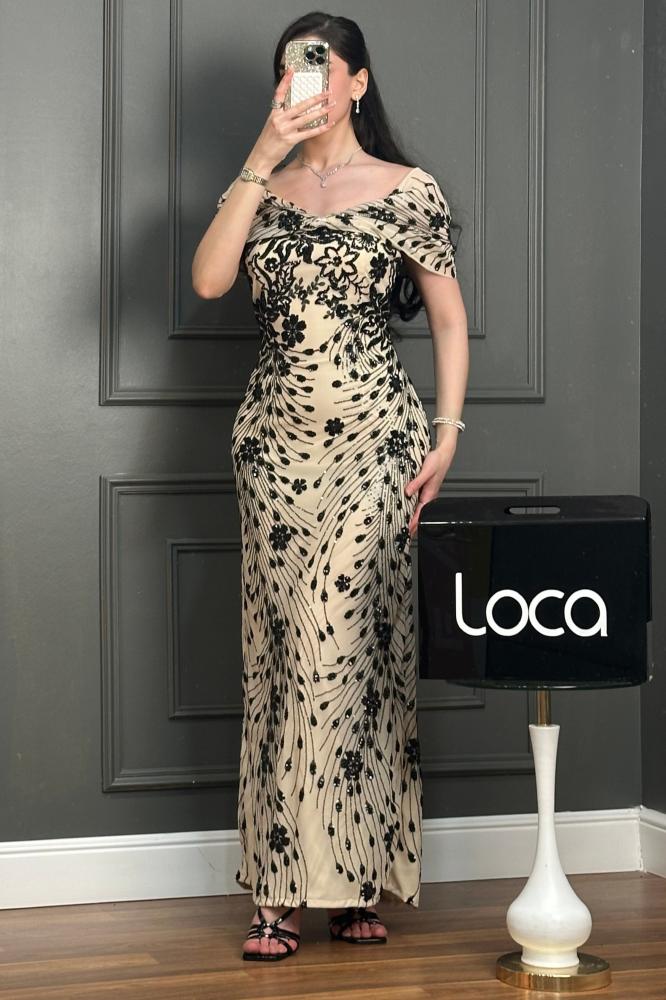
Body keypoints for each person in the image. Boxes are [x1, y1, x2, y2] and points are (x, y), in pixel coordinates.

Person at [192, 11, 469, 963]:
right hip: (274, 452)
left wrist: (447, 434)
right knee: (282, 659)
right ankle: (281, 888)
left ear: (357, 82)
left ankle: (350, 875)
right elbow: (210, 281)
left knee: (350, 654)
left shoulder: (407, 190)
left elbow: (448, 320)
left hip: (376, 447)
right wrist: (261, 154)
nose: (299, 85)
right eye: (286, 72)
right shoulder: (260, 187)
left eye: (316, 68)